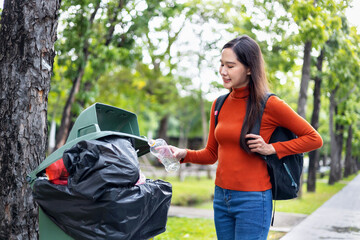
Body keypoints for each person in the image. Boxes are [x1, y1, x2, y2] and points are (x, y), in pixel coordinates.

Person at [169, 35, 323, 240]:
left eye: (230, 66)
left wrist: (272, 148)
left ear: (249, 68)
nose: (223, 71)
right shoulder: (219, 104)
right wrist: (183, 154)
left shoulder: (269, 104)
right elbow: (211, 153)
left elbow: (314, 138)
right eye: (221, 64)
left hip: (253, 200)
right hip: (221, 197)